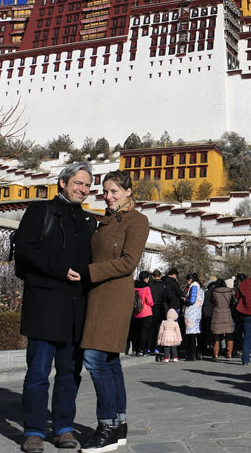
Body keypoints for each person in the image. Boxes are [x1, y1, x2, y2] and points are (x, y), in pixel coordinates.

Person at [15, 162, 95, 453]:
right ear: (62, 183)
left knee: (69, 373)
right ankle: (34, 431)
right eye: (78, 183)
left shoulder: (88, 221)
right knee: (37, 373)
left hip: (76, 309)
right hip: (45, 305)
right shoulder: (40, 212)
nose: (83, 189)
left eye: (87, 185)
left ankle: (63, 428)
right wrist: (61, 270)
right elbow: (27, 249)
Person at [78, 169, 150, 452]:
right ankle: (119, 425)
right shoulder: (104, 222)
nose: (107, 197)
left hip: (114, 297)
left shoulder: (138, 220)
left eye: (114, 192)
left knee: (95, 359)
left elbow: (129, 262)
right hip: (96, 295)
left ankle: (106, 426)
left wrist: (88, 272)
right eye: (105, 191)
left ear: (128, 192)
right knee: (109, 362)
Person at [210, 278, 235, 360]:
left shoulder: (214, 292)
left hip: (217, 313)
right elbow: (232, 302)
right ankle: (229, 353)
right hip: (227, 313)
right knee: (229, 334)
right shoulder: (229, 292)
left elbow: (212, 301)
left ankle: (216, 354)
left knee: (216, 335)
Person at [147, 270, 170, 356]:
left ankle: (149, 347)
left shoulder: (150, 285)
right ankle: (157, 347)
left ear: (153, 277)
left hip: (152, 308)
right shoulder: (164, 285)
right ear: (160, 276)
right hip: (161, 309)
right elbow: (168, 297)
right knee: (159, 329)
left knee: (150, 329)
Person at [131, 272, 154, 356]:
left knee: (137, 331)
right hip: (145, 312)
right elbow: (150, 301)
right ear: (146, 278)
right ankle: (142, 349)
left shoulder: (134, 286)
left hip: (136, 311)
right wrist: (152, 304)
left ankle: (135, 349)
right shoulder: (146, 287)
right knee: (144, 332)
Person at [183, 273, 204, 361]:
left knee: (191, 334)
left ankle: (192, 354)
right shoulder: (201, 287)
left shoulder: (194, 286)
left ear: (190, 280)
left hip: (192, 312)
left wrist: (185, 300)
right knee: (197, 333)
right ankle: (198, 353)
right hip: (198, 312)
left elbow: (192, 300)